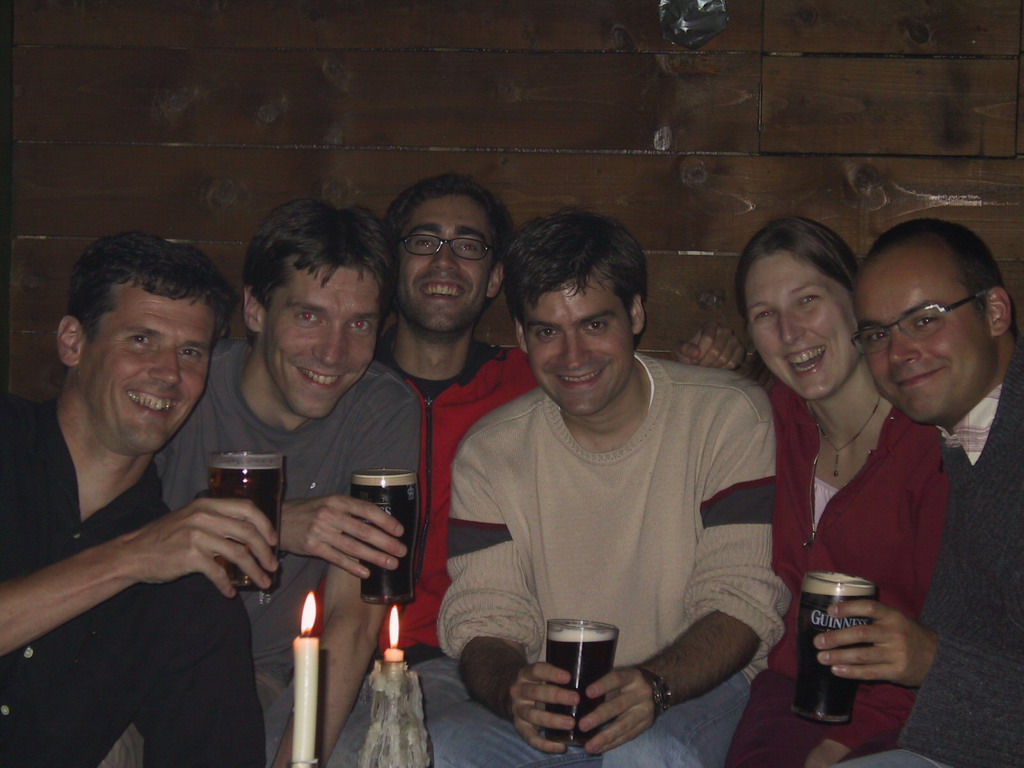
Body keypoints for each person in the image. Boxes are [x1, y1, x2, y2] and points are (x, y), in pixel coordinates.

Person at [429, 209, 788, 768]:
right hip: (560, 703)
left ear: (636, 313)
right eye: (548, 331)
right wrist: (513, 692)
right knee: (448, 745)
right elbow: (485, 619)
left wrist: (654, 686)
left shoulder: (728, 415)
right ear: (522, 335)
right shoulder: (490, 452)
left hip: (695, 686)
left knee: (648, 751)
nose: (573, 358)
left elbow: (740, 600)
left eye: (595, 324)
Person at [155, 201, 420, 767]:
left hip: (268, 677)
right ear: (254, 309)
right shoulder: (185, 382)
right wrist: (275, 522)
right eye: (308, 316)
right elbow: (117, 541)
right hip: (142, 657)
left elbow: (356, 618)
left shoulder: (382, 409)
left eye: (360, 324)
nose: (333, 352)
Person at [0, 232, 274, 766]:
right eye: (141, 340)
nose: (169, 374)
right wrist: (129, 559)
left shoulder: (189, 580)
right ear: (73, 343)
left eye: (191, 352)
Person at [716, 218, 947, 768]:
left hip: (913, 701)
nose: (790, 333)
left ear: (856, 303)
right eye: (764, 316)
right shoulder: (761, 423)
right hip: (789, 689)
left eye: (808, 301)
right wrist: (709, 376)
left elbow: (947, 632)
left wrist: (849, 738)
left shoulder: (928, 440)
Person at [815, 219, 1022, 768]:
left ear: (995, 313)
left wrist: (934, 661)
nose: (900, 352)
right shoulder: (969, 439)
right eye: (878, 334)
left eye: (925, 319)